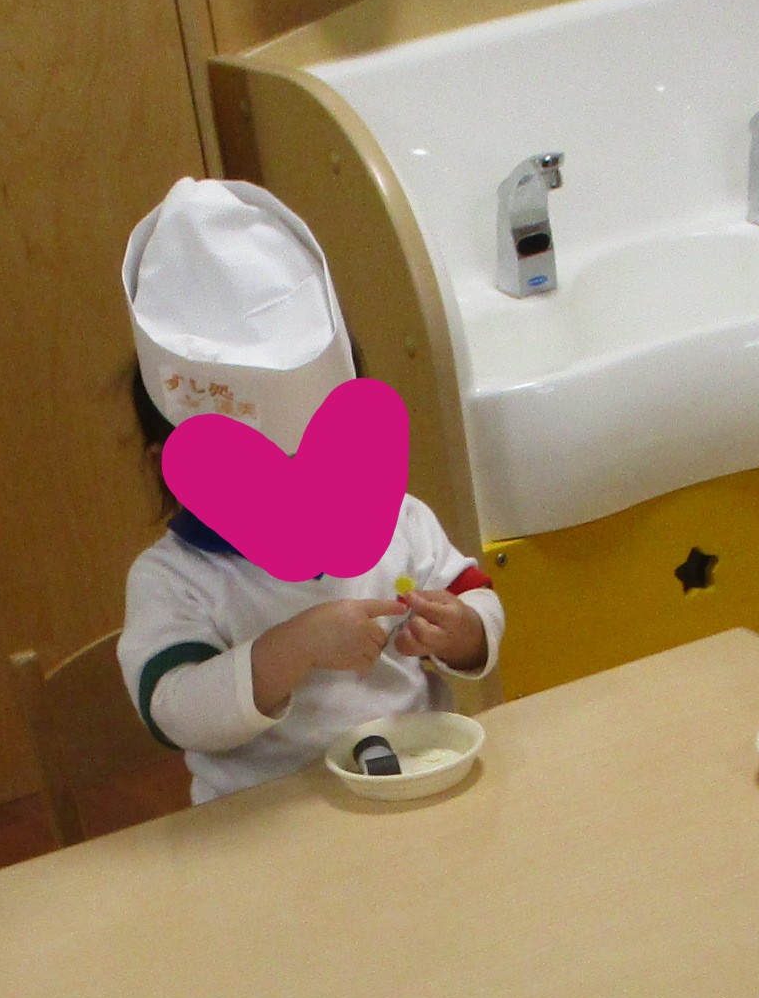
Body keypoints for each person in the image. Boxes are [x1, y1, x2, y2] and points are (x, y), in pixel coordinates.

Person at [116, 179, 502, 803]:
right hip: (266, 815)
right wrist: (291, 648)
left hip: (412, 780)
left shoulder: (399, 522)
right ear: (173, 467)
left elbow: (476, 595)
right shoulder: (176, 579)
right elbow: (173, 709)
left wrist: (465, 631)